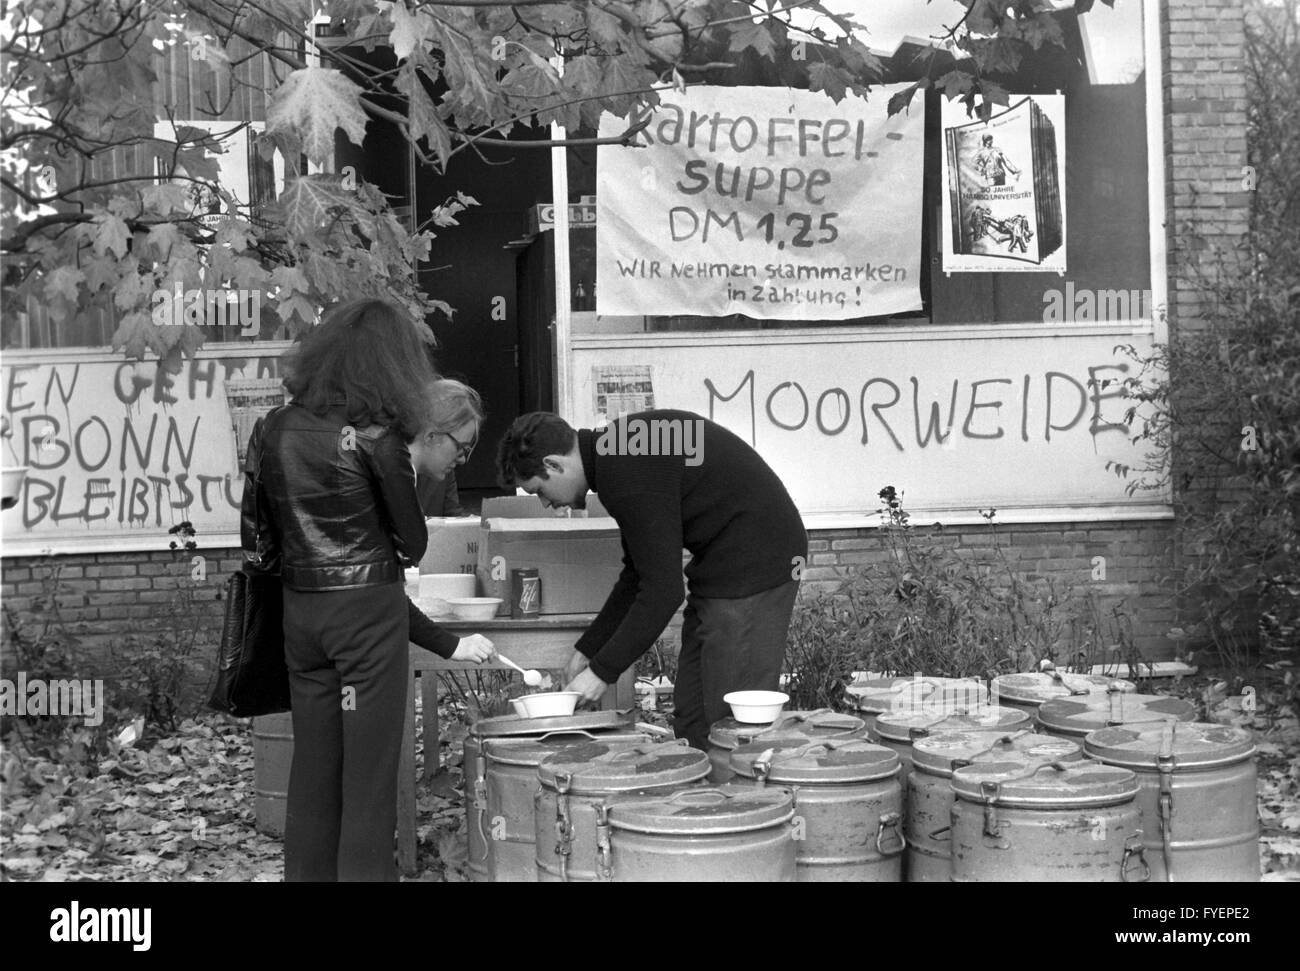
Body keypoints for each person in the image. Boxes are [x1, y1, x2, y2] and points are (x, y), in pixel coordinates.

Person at [242, 299, 492, 882]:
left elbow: (258, 539)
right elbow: (413, 541)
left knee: (313, 770)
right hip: (368, 618)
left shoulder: (273, 427)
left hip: (302, 616)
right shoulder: (378, 438)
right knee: (370, 780)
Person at [495, 409, 808, 751]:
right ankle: (699, 795)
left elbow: (663, 591)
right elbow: (638, 575)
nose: (545, 503)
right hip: (722, 563)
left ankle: (745, 799)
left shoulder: (625, 466)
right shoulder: (618, 453)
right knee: (692, 714)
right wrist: (587, 651)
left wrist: (602, 673)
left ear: (555, 465)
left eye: (539, 490)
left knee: (732, 722)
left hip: (759, 561)